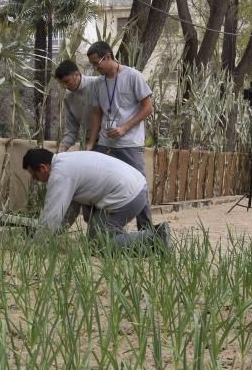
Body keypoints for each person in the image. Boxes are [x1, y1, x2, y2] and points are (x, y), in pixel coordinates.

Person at [22, 148, 169, 251]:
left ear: (42, 168)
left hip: (128, 197)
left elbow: (52, 214)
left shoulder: (60, 175)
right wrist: (53, 234)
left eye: (34, 176)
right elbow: (70, 211)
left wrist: (36, 244)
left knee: (98, 244)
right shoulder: (66, 161)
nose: (36, 180)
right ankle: (146, 238)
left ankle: (154, 239)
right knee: (97, 236)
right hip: (135, 188)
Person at [85, 40, 154, 230]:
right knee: (97, 184)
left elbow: (148, 108)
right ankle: (99, 229)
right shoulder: (98, 84)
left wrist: (124, 127)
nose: (94, 68)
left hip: (129, 143)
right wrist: (92, 143)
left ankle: (147, 231)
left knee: (138, 185)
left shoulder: (133, 76)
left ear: (107, 57)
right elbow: (97, 113)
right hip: (106, 143)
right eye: (91, 64)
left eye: (96, 63)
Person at [54, 60, 100, 152]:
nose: (64, 86)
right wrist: (63, 148)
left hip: (108, 140)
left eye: (67, 81)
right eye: (61, 83)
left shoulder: (97, 83)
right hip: (86, 141)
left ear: (76, 74)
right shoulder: (68, 96)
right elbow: (71, 127)